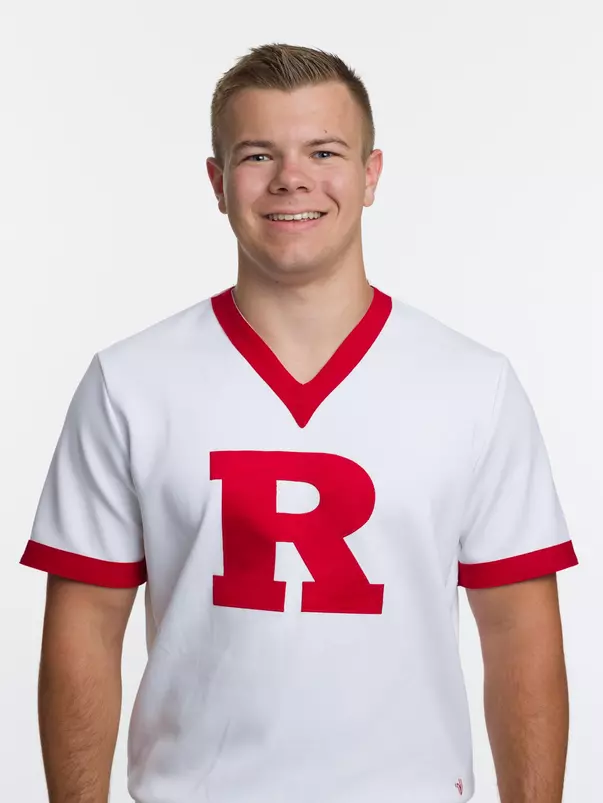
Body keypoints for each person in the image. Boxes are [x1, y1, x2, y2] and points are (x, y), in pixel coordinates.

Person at [20, 42, 579, 803]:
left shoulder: (473, 385)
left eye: (324, 150)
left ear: (370, 174)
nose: (292, 178)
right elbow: (84, 626)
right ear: (217, 184)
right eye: (257, 154)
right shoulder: (130, 383)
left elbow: (519, 631)